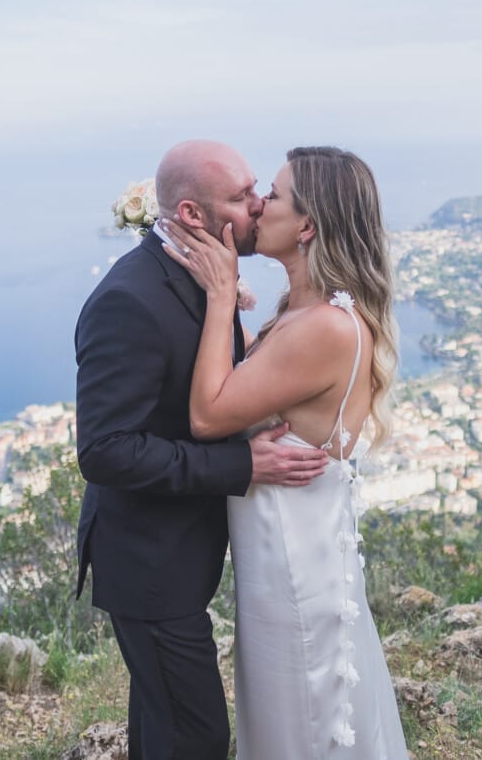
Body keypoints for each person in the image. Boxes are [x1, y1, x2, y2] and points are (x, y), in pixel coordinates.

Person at [74, 139, 331, 760]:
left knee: (162, 730)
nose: (259, 204)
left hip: (178, 559)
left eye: (257, 190)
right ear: (193, 216)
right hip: (148, 566)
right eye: (242, 197)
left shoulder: (201, 275)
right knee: (198, 737)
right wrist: (243, 465)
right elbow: (105, 451)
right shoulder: (128, 300)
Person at [161, 146, 410, 758]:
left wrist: (221, 297)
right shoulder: (305, 313)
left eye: (271, 195)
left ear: (307, 226)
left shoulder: (325, 327)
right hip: (286, 558)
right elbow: (261, 377)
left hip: (293, 569)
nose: (256, 205)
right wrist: (234, 311)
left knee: (299, 720)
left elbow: (207, 415)